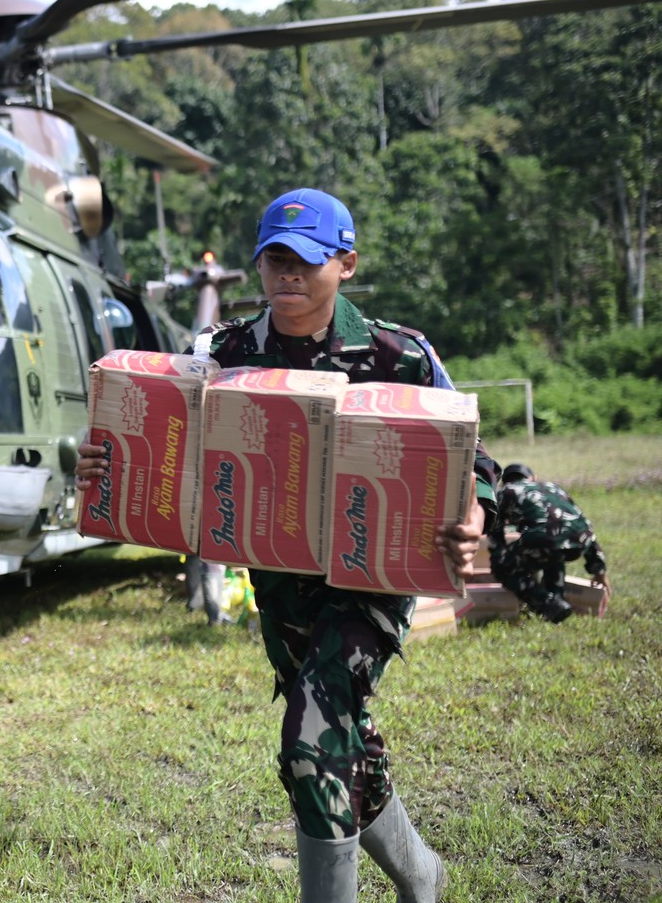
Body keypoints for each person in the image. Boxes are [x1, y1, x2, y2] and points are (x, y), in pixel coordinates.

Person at [76, 189, 499, 902]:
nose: (288, 276)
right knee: (336, 749)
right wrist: (105, 461)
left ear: (347, 264)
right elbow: (165, 439)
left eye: (306, 261)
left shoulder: (399, 355)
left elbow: (474, 460)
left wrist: (474, 518)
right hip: (280, 590)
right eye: (275, 259)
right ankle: (423, 876)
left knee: (309, 744)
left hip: (370, 587)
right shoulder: (223, 353)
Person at [490, 462, 609, 623]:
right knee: (552, 554)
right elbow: (580, 524)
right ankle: (559, 601)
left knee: (502, 565)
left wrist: (503, 560)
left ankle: (548, 603)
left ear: (504, 482)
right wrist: (599, 570)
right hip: (579, 540)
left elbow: (495, 535)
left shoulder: (504, 491)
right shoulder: (553, 488)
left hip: (544, 539)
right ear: (533, 478)